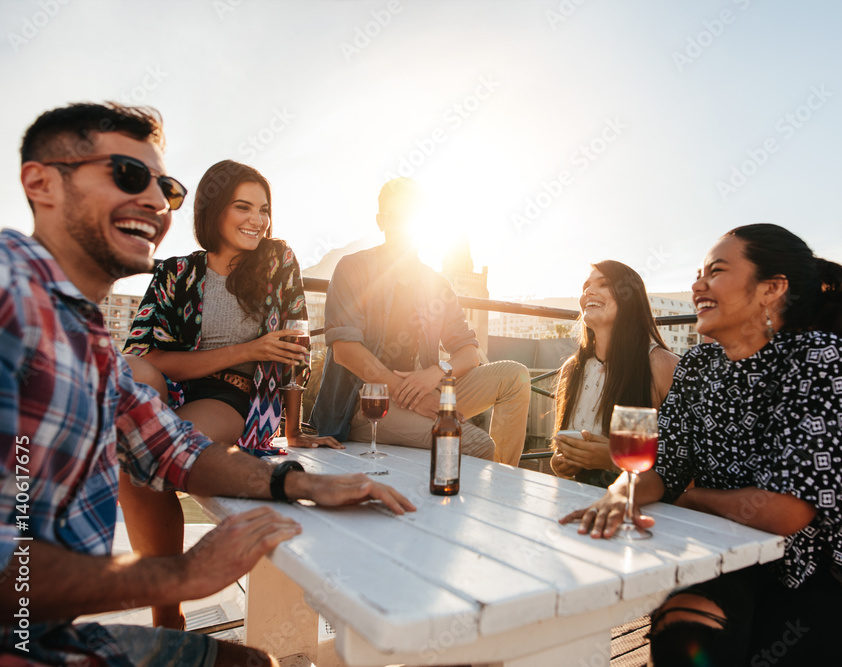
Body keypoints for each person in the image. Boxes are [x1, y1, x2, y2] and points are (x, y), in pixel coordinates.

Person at [0, 102, 414, 667]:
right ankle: (167, 605)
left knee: (254, 662)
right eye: (126, 175)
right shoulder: (11, 293)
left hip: (40, 630)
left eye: (164, 188)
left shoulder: (84, 331)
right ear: (40, 183)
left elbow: (166, 445)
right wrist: (178, 575)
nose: (153, 201)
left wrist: (300, 481)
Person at [561, 224, 842, 666]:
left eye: (717, 271)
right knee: (681, 629)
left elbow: (785, 511)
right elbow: (663, 467)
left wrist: (693, 499)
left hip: (822, 580)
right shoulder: (697, 365)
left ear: (771, 289)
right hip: (729, 562)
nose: (697, 285)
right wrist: (620, 493)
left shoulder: (816, 357)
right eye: (698, 273)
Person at [120, 159, 338, 630]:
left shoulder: (277, 260)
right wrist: (249, 346)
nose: (257, 219)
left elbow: (293, 349)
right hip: (166, 387)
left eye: (263, 209)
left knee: (145, 455)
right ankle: (166, 609)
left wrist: (294, 430)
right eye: (243, 207)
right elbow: (146, 358)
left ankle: (166, 614)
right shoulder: (176, 271)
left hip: (232, 395)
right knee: (130, 374)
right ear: (214, 210)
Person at [310, 177, 531, 465]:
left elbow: (469, 352)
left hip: (428, 390)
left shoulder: (436, 284)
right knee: (476, 444)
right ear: (381, 221)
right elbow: (345, 350)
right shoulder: (354, 268)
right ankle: (489, 498)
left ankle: (503, 490)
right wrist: (410, 394)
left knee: (515, 377)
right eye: (397, 216)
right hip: (368, 402)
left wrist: (436, 372)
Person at [550, 260, 678, 486]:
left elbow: (683, 462)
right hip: (577, 499)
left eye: (604, 284)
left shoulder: (662, 365)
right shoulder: (572, 369)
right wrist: (561, 463)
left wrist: (613, 459)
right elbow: (559, 450)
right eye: (585, 287)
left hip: (640, 508)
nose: (588, 291)